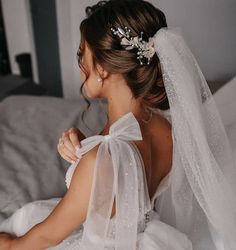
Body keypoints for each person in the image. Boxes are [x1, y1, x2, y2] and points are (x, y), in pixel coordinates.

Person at [1, 0, 236, 249]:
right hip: (149, 237)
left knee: (21, 224)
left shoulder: (98, 163)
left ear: (101, 70)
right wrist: (88, 148)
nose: (80, 66)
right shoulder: (168, 129)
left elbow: (45, 237)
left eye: (83, 54)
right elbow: (130, 182)